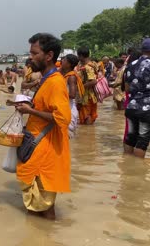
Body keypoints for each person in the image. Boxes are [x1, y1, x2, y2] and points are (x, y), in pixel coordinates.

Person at [15, 33, 71, 220]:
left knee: (45, 205)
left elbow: (62, 118)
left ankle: (47, 235)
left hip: (47, 148)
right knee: (35, 202)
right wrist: (29, 107)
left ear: (48, 55)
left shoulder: (56, 82)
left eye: (34, 53)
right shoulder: (46, 79)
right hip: (36, 145)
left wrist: (30, 112)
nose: (30, 57)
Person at [61, 54, 83, 138]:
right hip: (65, 107)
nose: (62, 61)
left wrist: (56, 93)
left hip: (69, 109)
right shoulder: (64, 74)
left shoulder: (71, 77)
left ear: (69, 64)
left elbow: (72, 94)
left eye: (64, 60)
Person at [76, 47, 98, 125]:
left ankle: (88, 135)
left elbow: (94, 81)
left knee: (86, 116)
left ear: (81, 56)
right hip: (88, 95)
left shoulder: (87, 67)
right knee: (87, 116)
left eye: (78, 56)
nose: (78, 58)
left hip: (87, 96)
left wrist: (79, 87)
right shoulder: (91, 64)